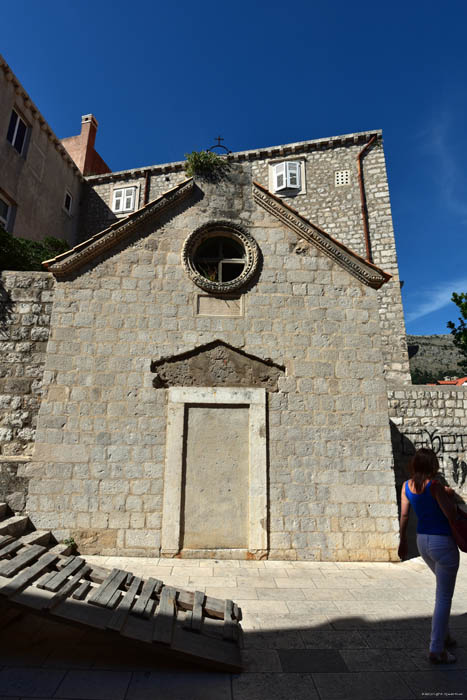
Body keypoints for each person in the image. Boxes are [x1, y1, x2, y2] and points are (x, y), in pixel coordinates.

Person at [398, 447, 459, 664]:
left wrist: (403, 540)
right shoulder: (434, 486)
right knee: (444, 596)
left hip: (422, 541)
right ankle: (436, 648)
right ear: (432, 465)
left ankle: (445, 635)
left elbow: (405, 515)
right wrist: (448, 495)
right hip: (442, 542)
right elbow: (450, 513)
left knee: (442, 590)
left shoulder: (407, 486)